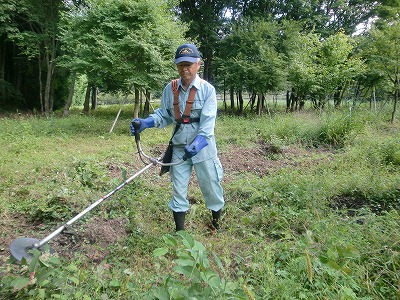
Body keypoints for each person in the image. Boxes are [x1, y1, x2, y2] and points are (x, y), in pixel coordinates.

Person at [130, 43, 224, 231]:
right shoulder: (170, 89)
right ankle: (180, 233)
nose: (185, 69)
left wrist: (196, 145)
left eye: (189, 64)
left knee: (211, 186)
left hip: (203, 148)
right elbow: (164, 115)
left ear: (198, 64)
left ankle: (216, 225)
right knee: (178, 190)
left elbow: (207, 127)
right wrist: (146, 122)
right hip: (179, 148)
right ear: (177, 66)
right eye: (181, 65)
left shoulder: (207, 90)